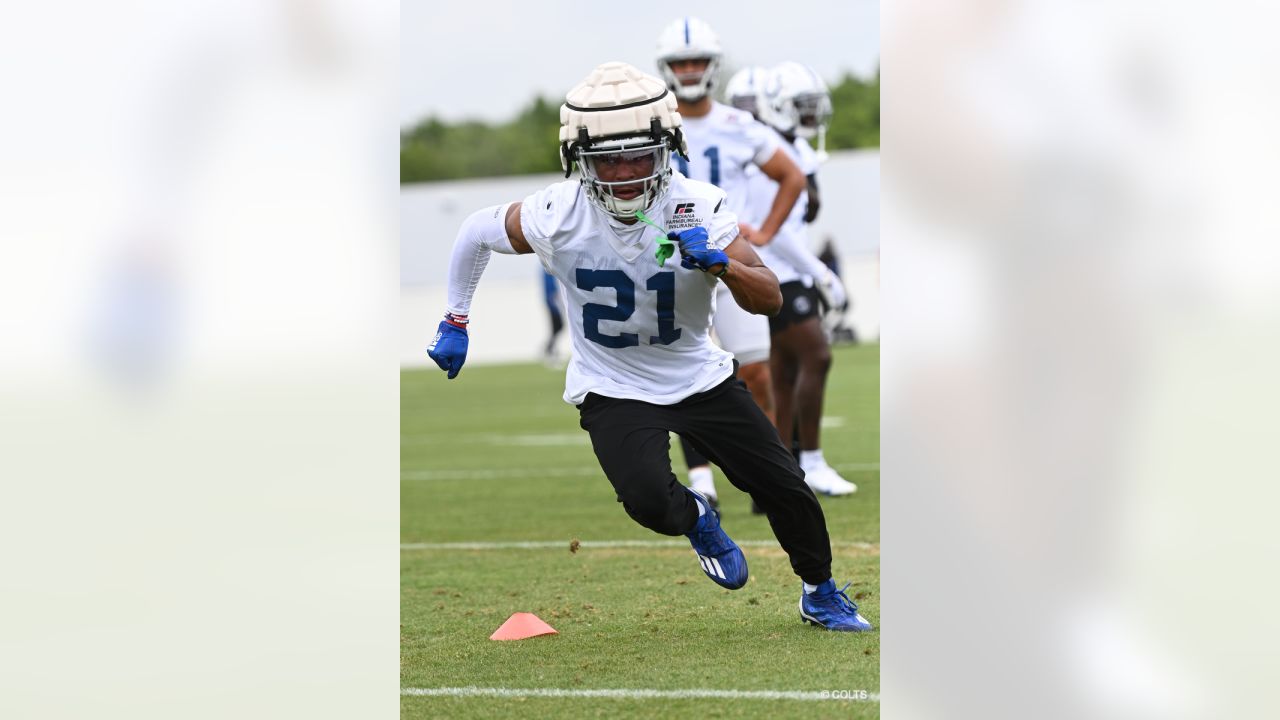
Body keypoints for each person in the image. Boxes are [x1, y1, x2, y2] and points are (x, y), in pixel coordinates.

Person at [425, 61, 872, 631]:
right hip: (612, 383)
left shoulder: (700, 206)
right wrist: (456, 318)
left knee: (786, 487)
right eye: (607, 159)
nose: (625, 172)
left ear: (668, 147)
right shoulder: (556, 212)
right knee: (647, 501)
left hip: (697, 376)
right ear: (579, 161)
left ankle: (820, 590)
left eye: (640, 154)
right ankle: (698, 518)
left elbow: (769, 300)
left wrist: (724, 264)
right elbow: (474, 232)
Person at [653, 18, 811, 505]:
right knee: (683, 371)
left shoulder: (739, 125)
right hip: (671, 263)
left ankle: (764, 470)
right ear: (667, 68)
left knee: (757, 373)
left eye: (698, 60)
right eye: (681, 62)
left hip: (729, 259)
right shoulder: (653, 123)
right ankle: (701, 480)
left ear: (713, 65)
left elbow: (792, 177)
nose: (690, 69)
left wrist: (762, 232)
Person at [742, 61, 856, 495]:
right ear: (778, 107)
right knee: (817, 356)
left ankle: (783, 468)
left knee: (785, 373)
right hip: (775, 271)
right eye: (803, 106)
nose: (812, 115)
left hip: (788, 271)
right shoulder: (768, 152)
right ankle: (810, 460)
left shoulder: (791, 146)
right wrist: (821, 272)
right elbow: (775, 233)